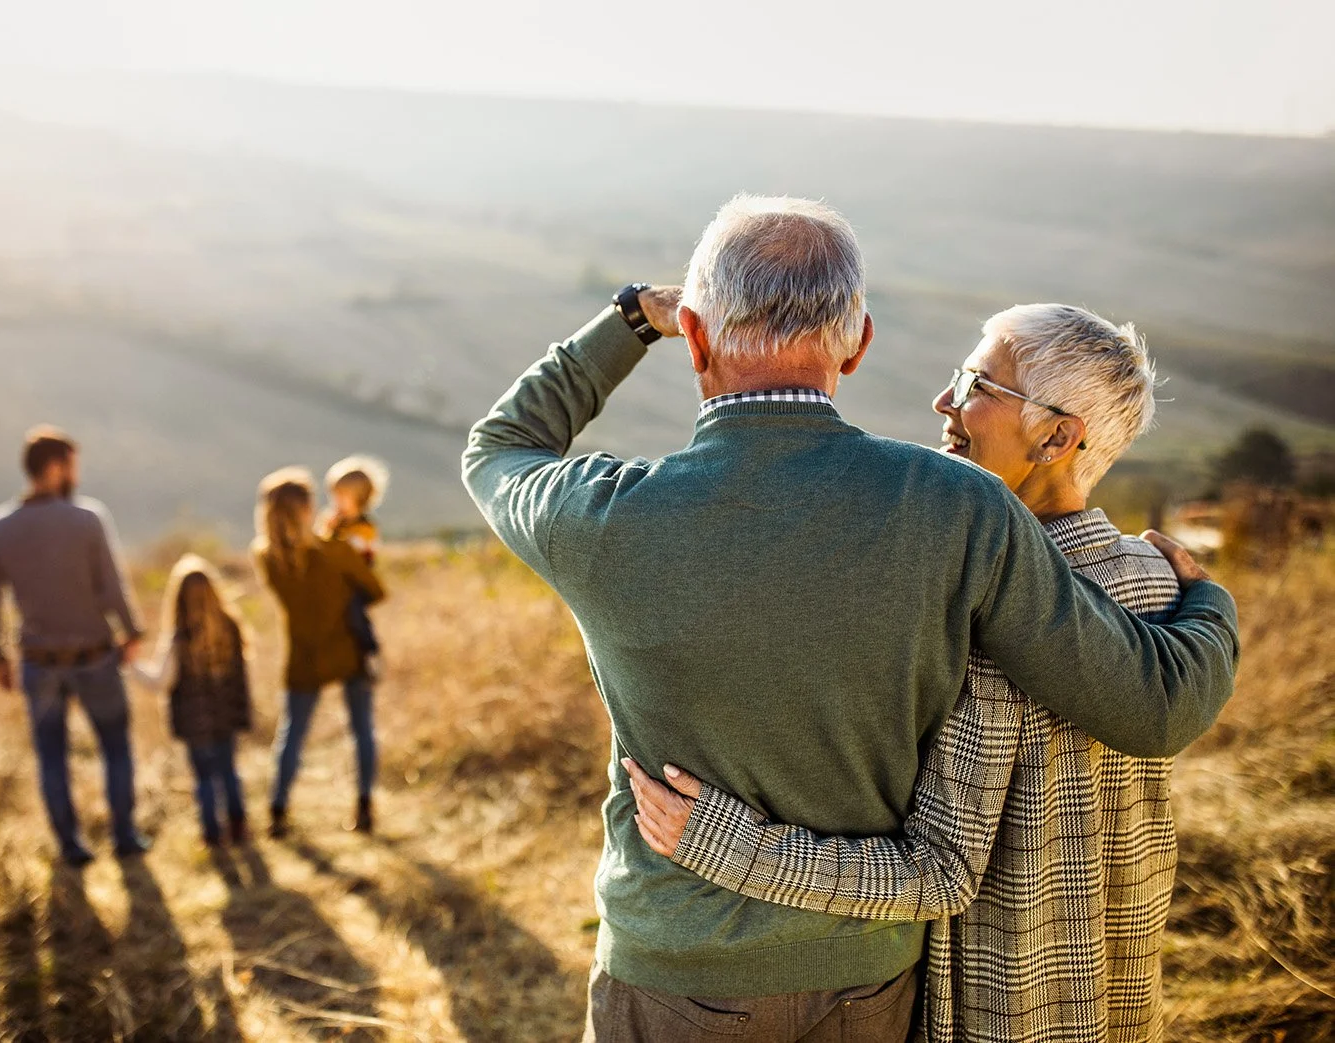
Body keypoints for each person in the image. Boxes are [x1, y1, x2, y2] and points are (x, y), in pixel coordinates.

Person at [460, 194, 1240, 1043]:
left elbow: (500, 448)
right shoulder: (959, 507)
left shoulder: (601, 515)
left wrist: (628, 323)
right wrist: (1206, 601)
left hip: (673, 977)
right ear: (859, 343)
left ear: (695, 332)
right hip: (870, 987)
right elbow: (1151, 704)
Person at [628, 303, 1200, 1042]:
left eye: (977, 385)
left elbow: (939, 872)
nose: (944, 401)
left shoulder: (977, 613)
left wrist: (725, 843)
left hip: (1001, 1017)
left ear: (1057, 436)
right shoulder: (1162, 580)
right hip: (1122, 999)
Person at [0, 425, 148, 866]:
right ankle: (125, 836)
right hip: (94, 655)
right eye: (72, 466)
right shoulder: (86, 518)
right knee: (115, 746)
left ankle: (71, 846)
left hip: (38, 661)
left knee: (51, 757)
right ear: (55, 467)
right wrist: (133, 632)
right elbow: (111, 587)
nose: (76, 475)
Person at [251, 467, 386, 837]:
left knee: (291, 734)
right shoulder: (337, 551)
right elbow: (376, 591)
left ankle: (277, 811)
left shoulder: (266, 557)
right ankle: (364, 807)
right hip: (349, 649)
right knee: (362, 730)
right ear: (306, 510)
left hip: (304, 654)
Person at [137, 554, 252, 849]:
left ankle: (212, 833)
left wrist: (129, 667)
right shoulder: (231, 629)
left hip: (194, 723)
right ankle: (238, 826)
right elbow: (241, 679)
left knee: (204, 778)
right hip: (226, 717)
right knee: (228, 771)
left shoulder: (178, 639)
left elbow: (159, 681)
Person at [318, 455, 390, 677]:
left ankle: (371, 649)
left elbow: (360, 554)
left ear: (359, 498)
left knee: (354, 611)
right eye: (334, 496)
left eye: (341, 496)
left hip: (356, 582)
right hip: (334, 581)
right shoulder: (335, 522)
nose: (336, 502)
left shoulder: (365, 527)